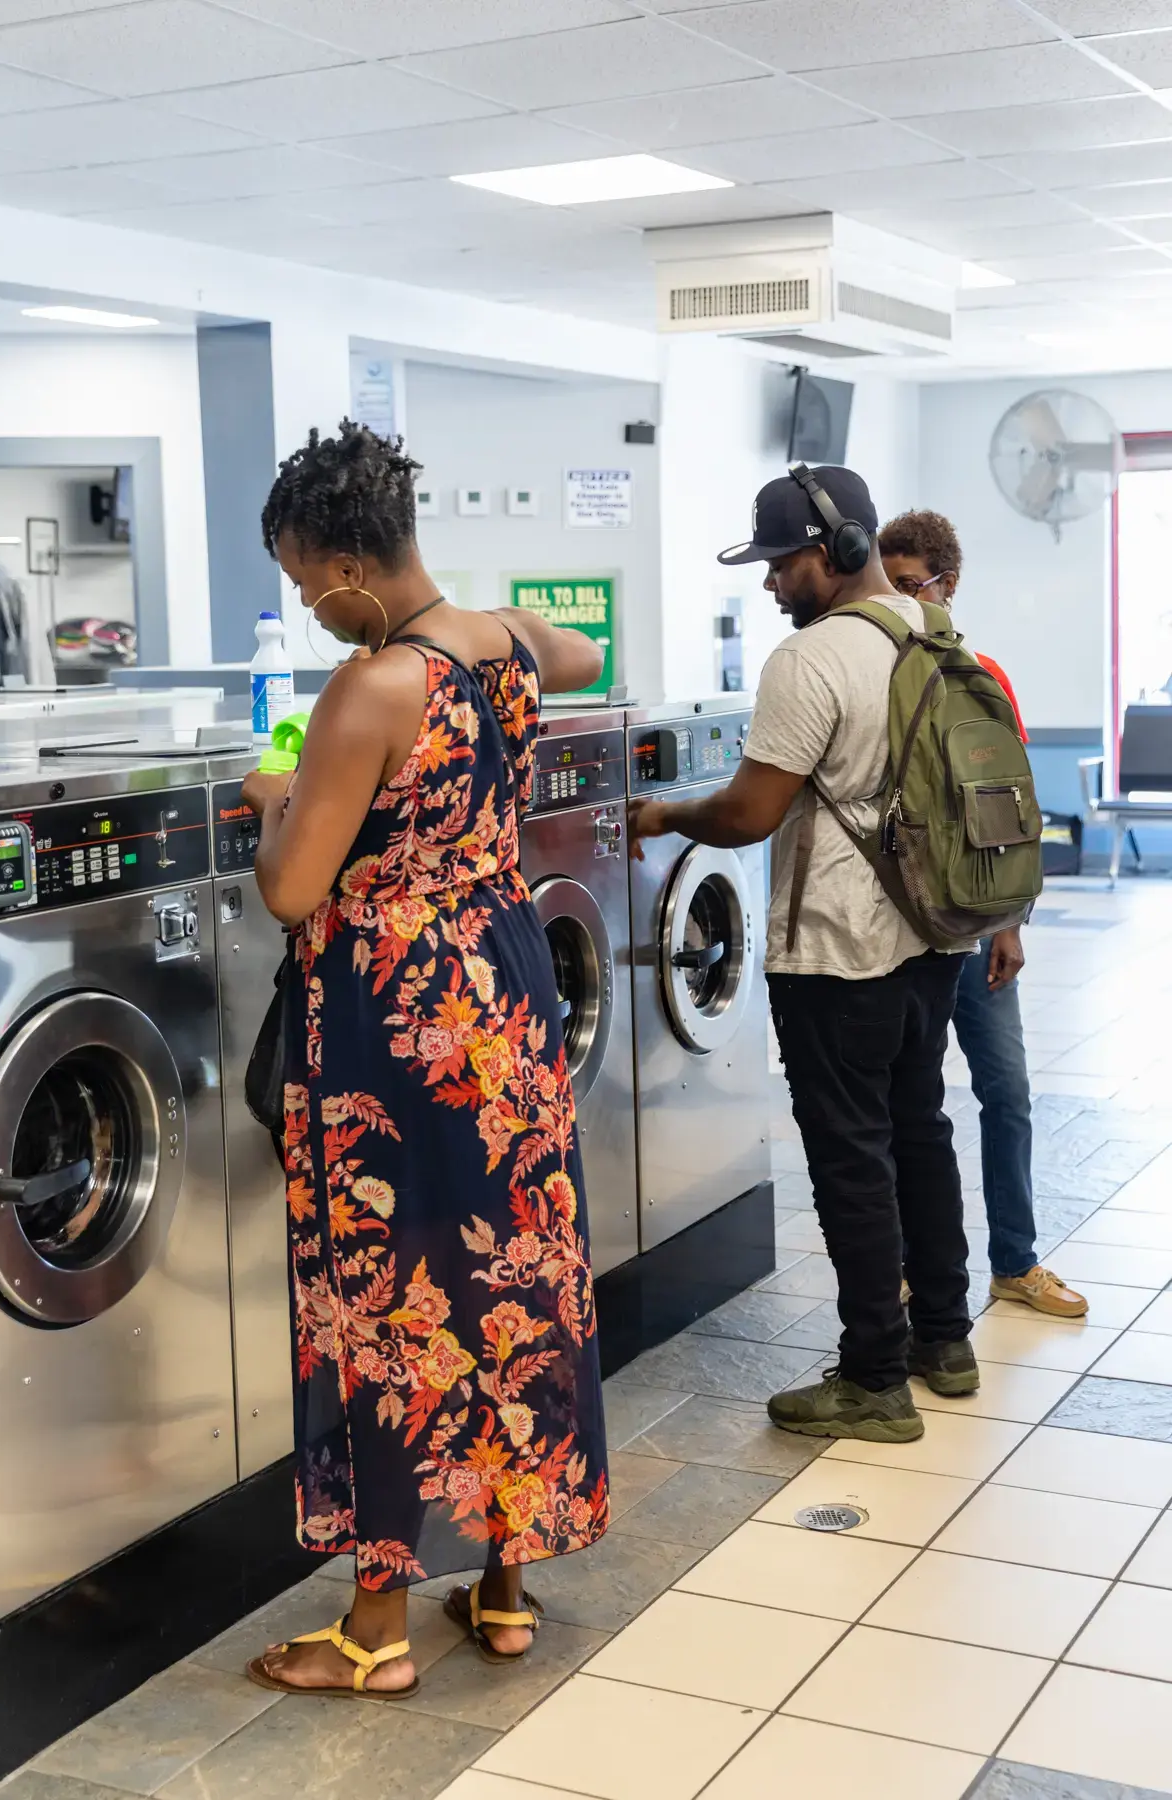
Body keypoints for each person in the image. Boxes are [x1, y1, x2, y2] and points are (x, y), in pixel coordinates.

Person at [241, 422, 610, 1700]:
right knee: (511, 1277)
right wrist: (496, 622)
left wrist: (274, 798)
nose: (310, 607)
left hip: (394, 1025)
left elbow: (293, 890)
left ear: (348, 565)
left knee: (390, 1298)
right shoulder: (504, 643)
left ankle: (376, 1630)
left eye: (307, 582)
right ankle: (503, 1594)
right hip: (505, 994)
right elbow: (582, 653)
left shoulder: (371, 689)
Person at [631, 465, 976, 1444]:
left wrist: (665, 815)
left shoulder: (811, 658)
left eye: (783, 562)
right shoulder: (934, 632)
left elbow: (749, 812)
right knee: (919, 1132)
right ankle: (943, 1341)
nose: (772, 581)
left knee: (850, 1156)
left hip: (839, 948)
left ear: (836, 550)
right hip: (932, 934)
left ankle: (873, 1378)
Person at [879, 509, 1088, 1319]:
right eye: (889, 587)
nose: (902, 602)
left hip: (974, 927)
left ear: (948, 585)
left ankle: (1016, 1262)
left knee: (1008, 1090)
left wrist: (1010, 924)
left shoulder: (980, 677)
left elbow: (1008, 812)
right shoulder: (873, 673)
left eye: (912, 586)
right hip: (901, 930)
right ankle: (910, 1267)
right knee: (911, 1105)